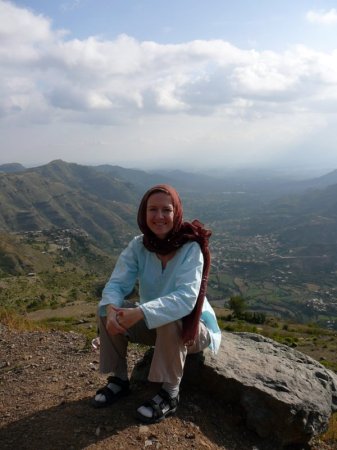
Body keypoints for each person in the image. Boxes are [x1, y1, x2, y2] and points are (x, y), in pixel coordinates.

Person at [92, 184, 221, 423]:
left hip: (192, 330)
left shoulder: (191, 248)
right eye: (153, 209)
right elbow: (116, 284)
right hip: (155, 325)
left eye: (166, 210)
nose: (159, 216)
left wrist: (141, 311)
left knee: (172, 318)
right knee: (107, 310)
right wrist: (111, 310)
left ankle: (170, 393)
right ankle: (119, 379)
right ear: (144, 213)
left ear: (176, 212)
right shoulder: (139, 245)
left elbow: (186, 299)